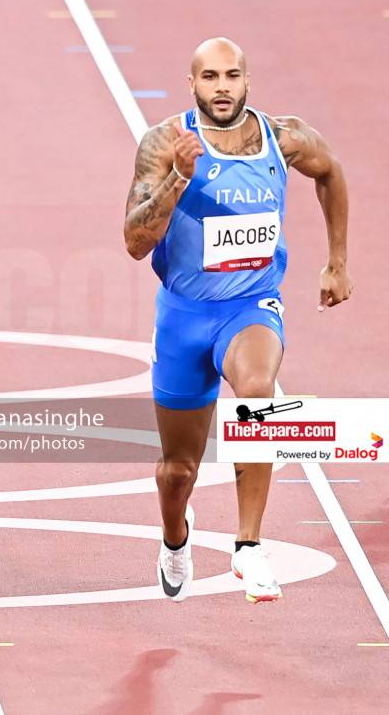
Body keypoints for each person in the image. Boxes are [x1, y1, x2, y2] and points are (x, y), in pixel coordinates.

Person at [124, 38, 352, 602]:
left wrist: (337, 262)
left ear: (248, 80)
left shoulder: (283, 137)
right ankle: (175, 537)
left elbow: (331, 173)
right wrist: (178, 179)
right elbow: (134, 242)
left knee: (257, 390)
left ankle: (249, 546)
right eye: (210, 77)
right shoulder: (164, 143)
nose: (221, 87)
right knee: (177, 470)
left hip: (250, 306)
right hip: (184, 317)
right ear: (192, 84)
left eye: (231, 75)